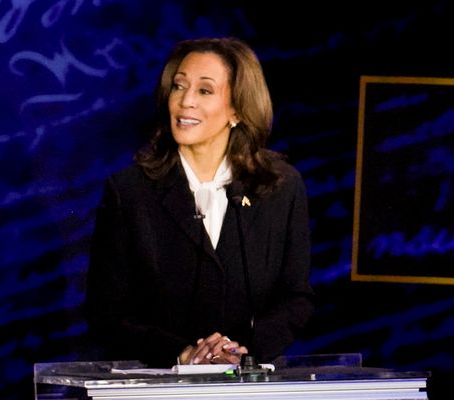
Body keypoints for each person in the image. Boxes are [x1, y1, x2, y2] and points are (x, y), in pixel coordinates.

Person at [86, 37, 314, 367]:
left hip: (250, 387)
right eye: (179, 87)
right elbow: (107, 314)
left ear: (237, 108)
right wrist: (183, 354)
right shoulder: (130, 192)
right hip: (159, 392)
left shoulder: (280, 187)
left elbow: (297, 300)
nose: (185, 101)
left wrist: (240, 351)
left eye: (204, 91)